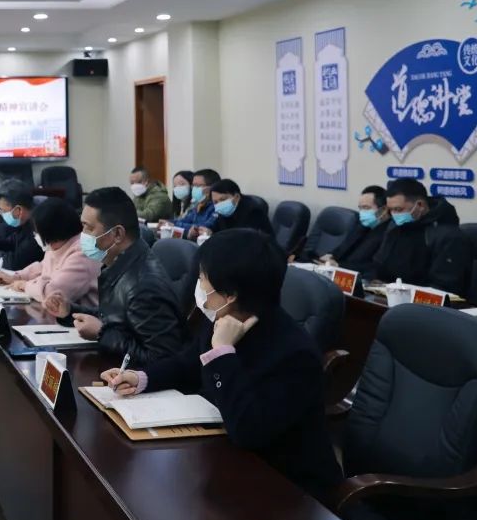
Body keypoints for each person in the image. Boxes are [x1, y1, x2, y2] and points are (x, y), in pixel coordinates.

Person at [101, 229, 341, 498]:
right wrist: (142, 378)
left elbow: (249, 431)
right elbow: (187, 364)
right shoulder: (224, 317)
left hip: (286, 487)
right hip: (227, 459)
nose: (198, 287)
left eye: (202, 279)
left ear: (230, 295)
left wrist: (224, 353)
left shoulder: (295, 354)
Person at [46, 187, 184, 367]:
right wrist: (69, 311)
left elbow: (162, 359)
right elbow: (115, 318)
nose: (82, 236)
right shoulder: (123, 262)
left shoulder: (144, 285)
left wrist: (102, 333)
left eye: (89, 228)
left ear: (117, 234)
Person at [0, 197, 99, 310]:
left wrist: (24, 285)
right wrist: (16, 277)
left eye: (37, 232)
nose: (36, 236)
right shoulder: (58, 245)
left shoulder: (83, 254)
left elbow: (52, 294)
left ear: (53, 233)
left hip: (80, 318)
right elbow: (43, 267)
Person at [371, 178, 472, 294]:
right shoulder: (395, 226)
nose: (394, 215)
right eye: (391, 210)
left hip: (422, 301)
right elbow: (379, 264)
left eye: (398, 209)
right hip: (389, 295)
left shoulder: (450, 237)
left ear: (420, 205)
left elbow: (444, 287)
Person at [302, 185, 390, 273]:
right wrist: (331, 255)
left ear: (383, 210)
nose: (362, 213)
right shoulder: (362, 225)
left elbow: (375, 267)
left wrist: (339, 266)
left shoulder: (389, 234)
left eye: (366, 208)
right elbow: (343, 248)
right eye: (360, 208)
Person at [203, 178, 274, 237]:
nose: (219, 204)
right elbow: (216, 228)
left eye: (223, 199)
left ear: (236, 197)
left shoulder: (253, 211)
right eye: (215, 202)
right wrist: (209, 231)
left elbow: (246, 238)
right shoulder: (223, 211)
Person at [173, 168, 220, 240]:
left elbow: (201, 228)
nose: (194, 189)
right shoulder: (198, 205)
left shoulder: (217, 207)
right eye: (193, 185)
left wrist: (175, 225)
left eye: (198, 186)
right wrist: (169, 223)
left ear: (211, 187)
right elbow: (183, 221)